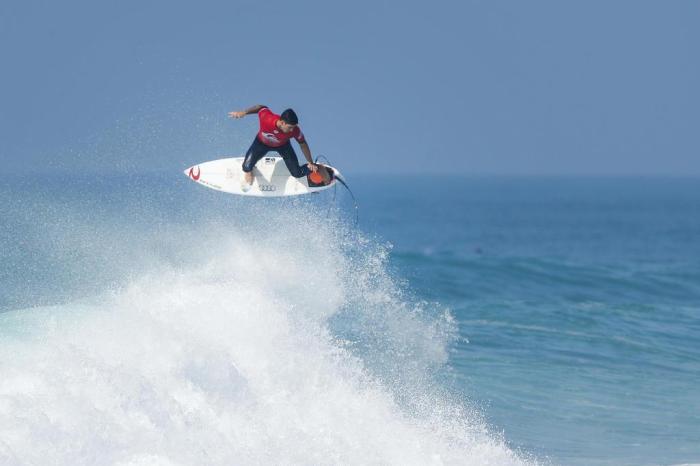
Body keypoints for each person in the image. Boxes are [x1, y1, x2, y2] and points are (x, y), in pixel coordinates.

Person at [228, 105, 331, 186]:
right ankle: (249, 172)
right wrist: (243, 112)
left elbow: (302, 143)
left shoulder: (295, 130)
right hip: (261, 143)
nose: (292, 130)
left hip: (283, 146)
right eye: (290, 127)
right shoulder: (267, 119)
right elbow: (260, 107)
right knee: (246, 167)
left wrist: (310, 162)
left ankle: (319, 168)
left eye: (294, 127)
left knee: (297, 173)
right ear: (282, 122)